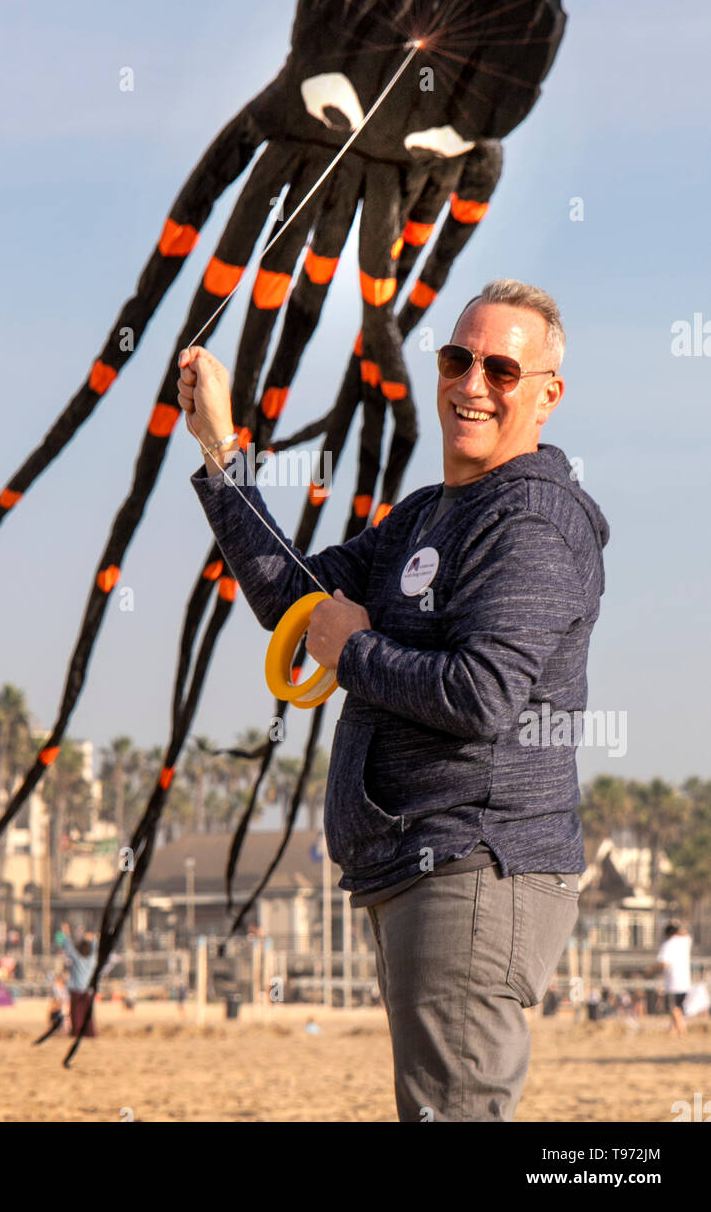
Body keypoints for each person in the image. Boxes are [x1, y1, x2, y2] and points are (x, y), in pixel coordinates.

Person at [178, 278, 610, 1122]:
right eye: (458, 359)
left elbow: (482, 694)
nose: (472, 384)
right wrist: (222, 452)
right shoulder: (425, 515)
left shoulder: (533, 521)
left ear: (547, 396)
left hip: (474, 866)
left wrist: (356, 650)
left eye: (501, 369)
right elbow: (297, 602)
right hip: (413, 871)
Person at [649, 921, 692, 1037]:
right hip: (686, 981)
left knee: (674, 1008)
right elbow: (685, 933)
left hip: (673, 982)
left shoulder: (667, 944)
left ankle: (682, 1029)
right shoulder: (685, 941)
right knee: (679, 1007)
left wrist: (651, 969)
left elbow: (664, 963)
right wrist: (677, 925)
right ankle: (672, 1030)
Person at [59, 922, 98, 1038]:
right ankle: (90, 1033)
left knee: (76, 1014)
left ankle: (76, 1032)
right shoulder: (93, 960)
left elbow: (69, 948)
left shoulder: (77, 959)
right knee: (88, 1015)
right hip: (89, 991)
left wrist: (66, 933)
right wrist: (93, 939)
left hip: (76, 991)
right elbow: (96, 949)